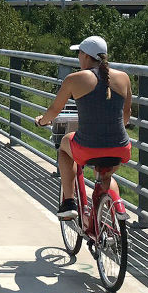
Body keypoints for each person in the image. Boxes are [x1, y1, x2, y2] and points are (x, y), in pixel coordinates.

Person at [35, 34, 132, 217]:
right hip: (121, 148)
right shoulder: (124, 77)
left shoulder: (74, 79)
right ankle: (114, 214)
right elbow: (126, 116)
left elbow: (55, 109)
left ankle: (69, 202)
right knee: (105, 175)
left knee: (64, 144)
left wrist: (42, 121)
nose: (78, 57)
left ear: (86, 56)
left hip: (88, 149)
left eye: (79, 53)